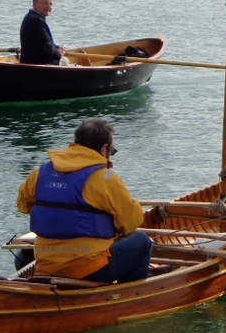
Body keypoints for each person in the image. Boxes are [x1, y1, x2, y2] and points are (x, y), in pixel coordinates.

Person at [17, 118, 152, 283]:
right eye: (112, 151)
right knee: (142, 241)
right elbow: (131, 222)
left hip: (46, 266)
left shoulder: (39, 173)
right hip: (89, 269)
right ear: (104, 149)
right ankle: (128, 296)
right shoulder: (105, 178)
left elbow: (23, 205)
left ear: (76, 143)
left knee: (23, 255)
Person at [19, 0, 68, 65]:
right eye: (45, 3)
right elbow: (47, 46)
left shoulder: (31, 17)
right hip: (39, 64)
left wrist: (57, 47)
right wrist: (59, 54)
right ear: (35, 4)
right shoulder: (35, 20)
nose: (49, 7)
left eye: (51, 4)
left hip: (33, 62)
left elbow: (44, 42)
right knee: (65, 61)